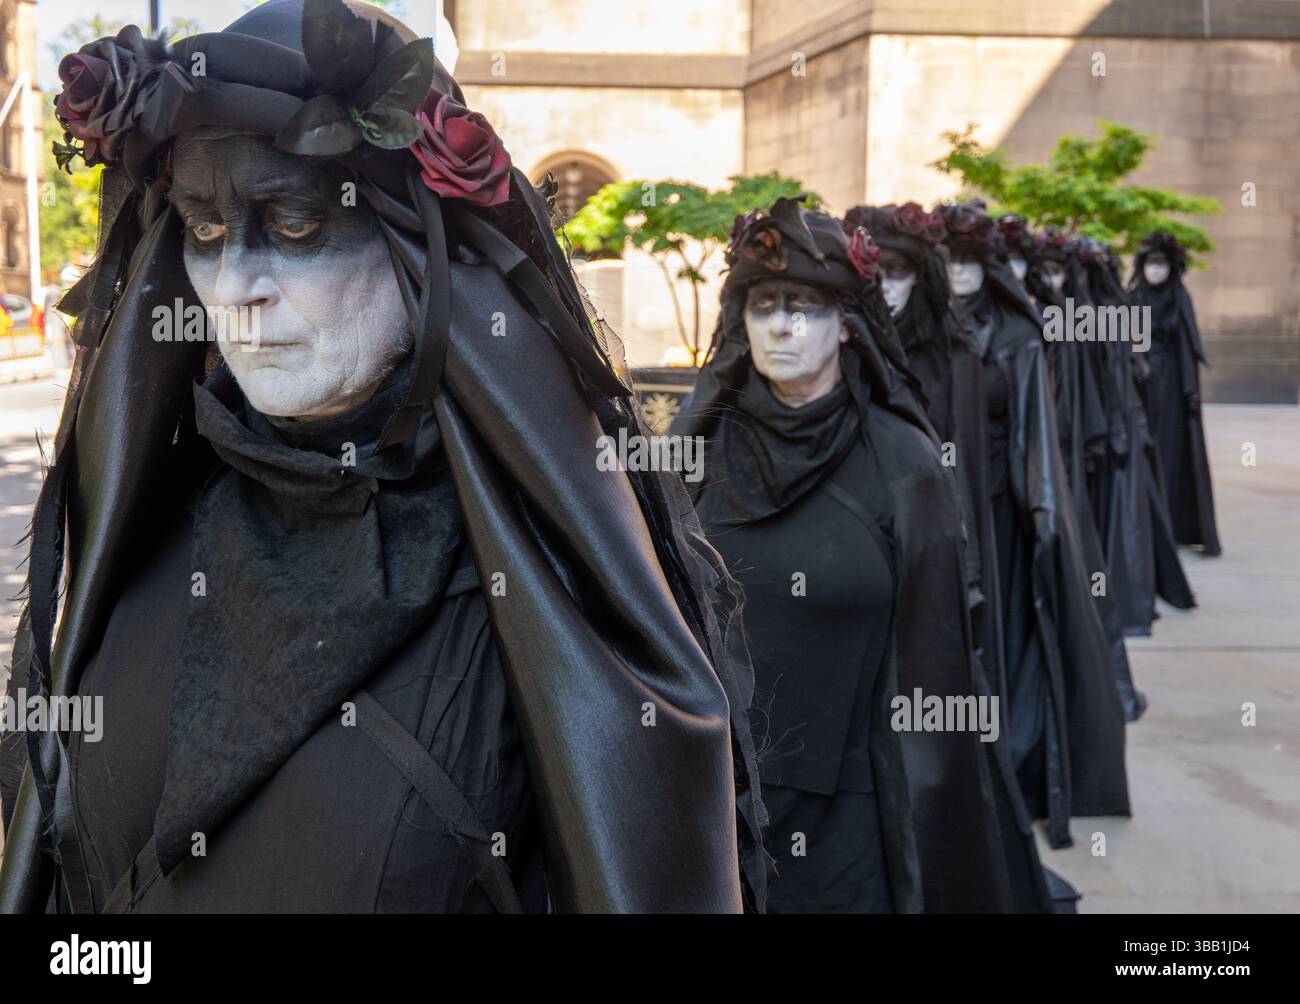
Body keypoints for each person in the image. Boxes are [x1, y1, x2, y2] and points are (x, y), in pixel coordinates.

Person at [0, 0, 767, 914]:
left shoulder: (538, 593)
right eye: (204, 230)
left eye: (291, 224)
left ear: (415, 249)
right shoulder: (143, 539)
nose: (236, 289)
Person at [672, 198, 1048, 912]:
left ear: (845, 323)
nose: (781, 325)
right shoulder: (698, 451)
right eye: (764, 305)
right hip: (715, 802)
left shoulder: (904, 464)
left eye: (806, 307)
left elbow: (936, 656)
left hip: (853, 810)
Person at [935, 200, 1129, 849]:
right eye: (949, 260)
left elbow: (1037, 436)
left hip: (999, 514)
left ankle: (1004, 764)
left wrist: (1041, 512)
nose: (959, 274)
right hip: (935, 512)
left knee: (1004, 636)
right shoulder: (921, 328)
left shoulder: (1015, 335)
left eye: (970, 261)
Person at [1128, 232, 1222, 556]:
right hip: (1140, 386)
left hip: (1170, 389)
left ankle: (1172, 524)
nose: (1156, 271)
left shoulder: (1179, 299)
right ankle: (1145, 522)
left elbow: (1186, 348)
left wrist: (1189, 390)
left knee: (1171, 453)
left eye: (1161, 264)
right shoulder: (1133, 298)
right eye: (1151, 264)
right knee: (1144, 448)